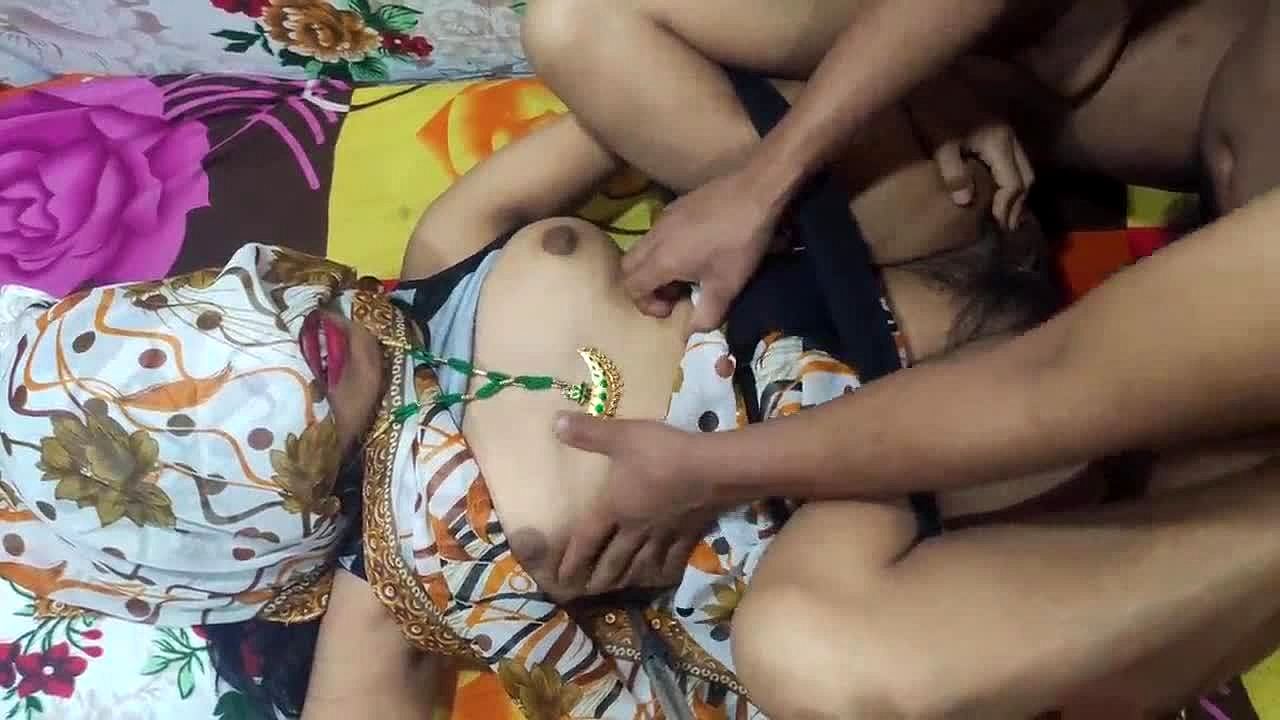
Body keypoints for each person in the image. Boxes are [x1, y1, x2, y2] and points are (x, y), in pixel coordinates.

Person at [0, 62, 1078, 717]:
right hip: (914, 482)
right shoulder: (391, 576)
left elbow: (632, 110)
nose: (279, 348)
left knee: (587, 31)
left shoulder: (448, 250)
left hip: (898, 252)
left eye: (189, 326)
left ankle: (962, 84)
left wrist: (887, 96)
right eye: (203, 421)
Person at [521, 0, 1280, 715]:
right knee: (577, 22)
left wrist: (712, 468)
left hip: (1038, 393)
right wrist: (780, 168)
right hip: (1002, 186)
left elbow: (1056, 386)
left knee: (819, 656)